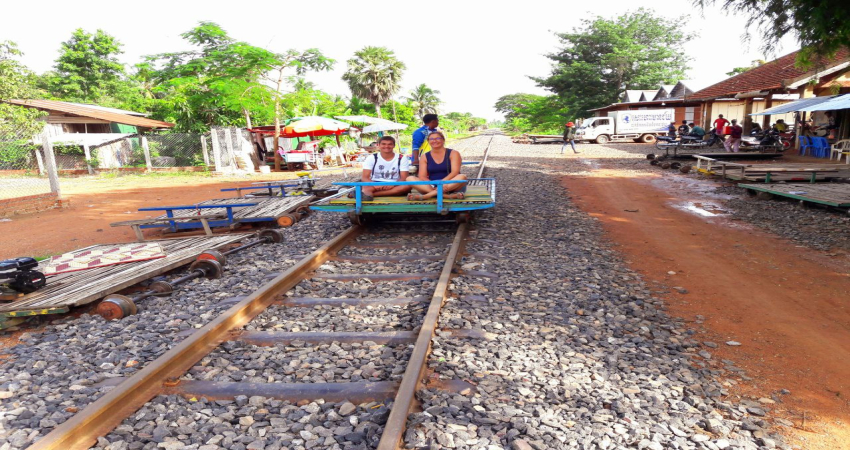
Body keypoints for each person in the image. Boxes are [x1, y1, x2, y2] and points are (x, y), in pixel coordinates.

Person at [407, 131, 468, 200]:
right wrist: (433, 184)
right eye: (431, 139)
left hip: (451, 184)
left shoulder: (453, 153)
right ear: (428, 141)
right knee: (409, 178)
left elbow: (455, 172)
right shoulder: (425, 156)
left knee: (462, 177)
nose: (434, 141)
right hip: (432, 185)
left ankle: (426, 196)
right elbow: (422, 176)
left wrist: (441, 183)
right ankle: (446, 196)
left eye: (438, 138)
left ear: (443, 140)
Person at [351, 136, 411, 201]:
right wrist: (375, 184)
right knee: (366, 188)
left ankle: (369, 195)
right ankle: (367, 194)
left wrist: (393, 184)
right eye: (383, 144)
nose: (386, 146)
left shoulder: (401, 158)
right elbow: (365, 177)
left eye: (390, 144)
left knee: (408, 186)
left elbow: (404, 177)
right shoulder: (372, 157)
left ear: (394, 145)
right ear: (378, 145)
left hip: (394, 183)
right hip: (374, 182)